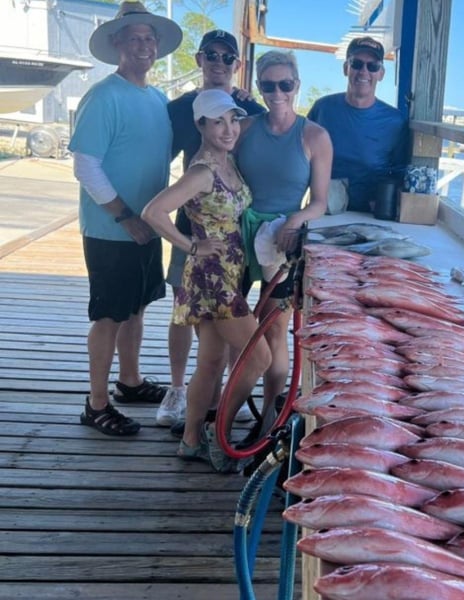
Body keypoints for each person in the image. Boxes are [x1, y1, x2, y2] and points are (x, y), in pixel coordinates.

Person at [68, 1, 181, 436]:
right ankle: (96, 405)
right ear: (117, 44)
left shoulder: (157, 98)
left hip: (146, 226)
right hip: (112, 229)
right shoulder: (103, 96)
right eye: (133, 37)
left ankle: (129, 382)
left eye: (149, 38)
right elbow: (85, 165)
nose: (143, 45)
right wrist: (123, 216)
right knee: (110, 315)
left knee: (137, 308)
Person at [142, 89, 269, 472]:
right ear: (201, 125)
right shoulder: (202, 171)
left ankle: (191, 438)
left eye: (233, 120)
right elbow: (154, 211)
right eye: (219, 121)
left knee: (212, 361)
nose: (229, 128)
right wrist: (190, 246)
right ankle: (220, 431)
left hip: (227, 272)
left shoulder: (226, 161)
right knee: (258, 357)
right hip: (213, 280)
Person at [157, 29, 265, 428]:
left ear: (237, 65)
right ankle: (177, 389)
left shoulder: (246, 110)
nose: (219, 63)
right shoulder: (179, 108)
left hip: (235, 243)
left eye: (227, 57)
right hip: (196, 230)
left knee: (217, 346)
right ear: (200, 60)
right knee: (181, 314)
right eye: (212, 56)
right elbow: (159, 167)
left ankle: (212, 411)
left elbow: (272, 137)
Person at [235, 50, 332, 443]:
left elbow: (320, 202)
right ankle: (228, 404)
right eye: (268, 85)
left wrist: (294, 221)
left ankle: (269, 420)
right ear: (259, 87)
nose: (277, 92)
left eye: (285, 84)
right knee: (233, 329)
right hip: (238, 237)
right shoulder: (242, 128)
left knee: (272, 333)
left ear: (297, 86)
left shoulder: (314, 136)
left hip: (284, 242)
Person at [307, 36, 407, 213]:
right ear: (346, 68)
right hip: (324, 211)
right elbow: (300, 156)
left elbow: (401, 171)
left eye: (373, 66)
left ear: (381, 73)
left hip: (371, 215)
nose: (364, 72)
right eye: (357, 64)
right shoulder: (322, 108)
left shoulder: (395, 121)